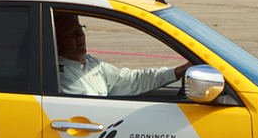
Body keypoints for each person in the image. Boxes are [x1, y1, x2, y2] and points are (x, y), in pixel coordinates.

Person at [54, 12, 191, 97]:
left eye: (80, 29)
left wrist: (177, 72)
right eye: (71, 33)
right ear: (56, 39)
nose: (80, 36)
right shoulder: (61, 75)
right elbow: (91, 109)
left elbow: (130, 80)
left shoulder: (91, 64)